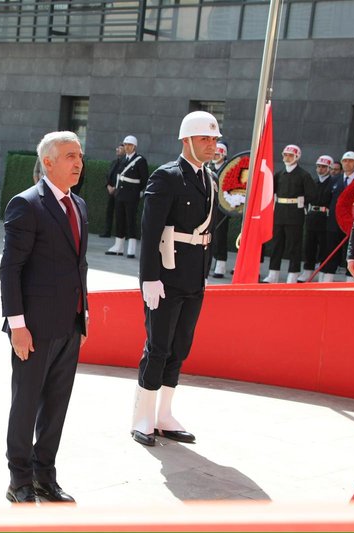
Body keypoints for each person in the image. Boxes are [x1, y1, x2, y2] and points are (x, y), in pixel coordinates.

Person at [0, 130, 88, 504]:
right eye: (70, 156)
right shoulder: (26, 204)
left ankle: (44, 476)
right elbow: (10, 270)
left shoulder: (79, 205)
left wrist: (82, 316)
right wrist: (17, 326)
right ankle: (18, 479)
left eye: (80, 155)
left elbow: (78, 265)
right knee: (26, 402)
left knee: (56, 404)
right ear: (48, 162)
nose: (78, 162)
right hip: (33, 328)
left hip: (69, 324)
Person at [132, 111, 219, 447]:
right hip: (165, 278)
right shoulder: (165, 177)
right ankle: (143, 415)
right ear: (186, 141)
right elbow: (150, 230)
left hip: (193, 278)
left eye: (213, 139)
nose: (211, 145)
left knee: (180, 347)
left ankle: (165, 415)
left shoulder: (208, 179)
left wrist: (204, 274)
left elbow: (207, 233)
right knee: (157, 347)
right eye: (204, 139)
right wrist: (149, 278)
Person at [263, 145, 310, 284]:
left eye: (290, 155)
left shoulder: (304, 175)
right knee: (277, 245)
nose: (287, 158)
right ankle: (273, 274)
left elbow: (312, 194)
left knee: (294, 246)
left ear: (296, 157)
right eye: (285, 155)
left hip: (295, 215)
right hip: (279, 213)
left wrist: (301, 203)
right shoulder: (279, 174)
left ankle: (293, 275)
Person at [106, 135, 147, 259]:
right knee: (119, 220)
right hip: (120, 195)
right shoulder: (123, 160)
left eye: (129, 145)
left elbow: (144, 179)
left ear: (134, 146)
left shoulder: (140, 160)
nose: (127, 147)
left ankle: (131, 249)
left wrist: (138, 192)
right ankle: (118, 246)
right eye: (125, 145)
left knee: (131, 221)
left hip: (132, 195)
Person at [320, 151, 354, 282]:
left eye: (350, 161)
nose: (347, 163)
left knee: (351, 251)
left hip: (353, 223)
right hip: (334, 222)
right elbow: (326, 198)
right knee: (331, 249)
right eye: (345, 161)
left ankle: (350, 279)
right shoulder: (334, 180)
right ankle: (327, 278)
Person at [300, 155, 334, 282]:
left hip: (325, 217)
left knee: (324, 246)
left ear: (329, 168)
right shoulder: (313, 182)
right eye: (319, 166)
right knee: (309, 246)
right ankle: (307, 271)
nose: (320, 169)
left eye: (324, 167)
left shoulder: (333, 183)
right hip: (311, 216)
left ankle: (322, 271)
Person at [207, 141, 229, 278]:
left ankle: (221, 265)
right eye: (214, 154)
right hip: (208, 206)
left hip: (222, 207)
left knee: (220, 236)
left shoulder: (227, 169)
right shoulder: (208, 168)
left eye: (218, 154)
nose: (215, 156)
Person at [101, 144, 124, 238]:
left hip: (120, 192)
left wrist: (115, 187)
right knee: (109, 212)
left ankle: (122, 234)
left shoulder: (125, 163)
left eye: (120, 148)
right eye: (117, 148)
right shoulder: (114, 162)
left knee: (121, 214)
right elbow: (108, 175)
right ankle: (107, 232)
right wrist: (108, 186)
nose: (117, 149)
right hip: (111, 192)